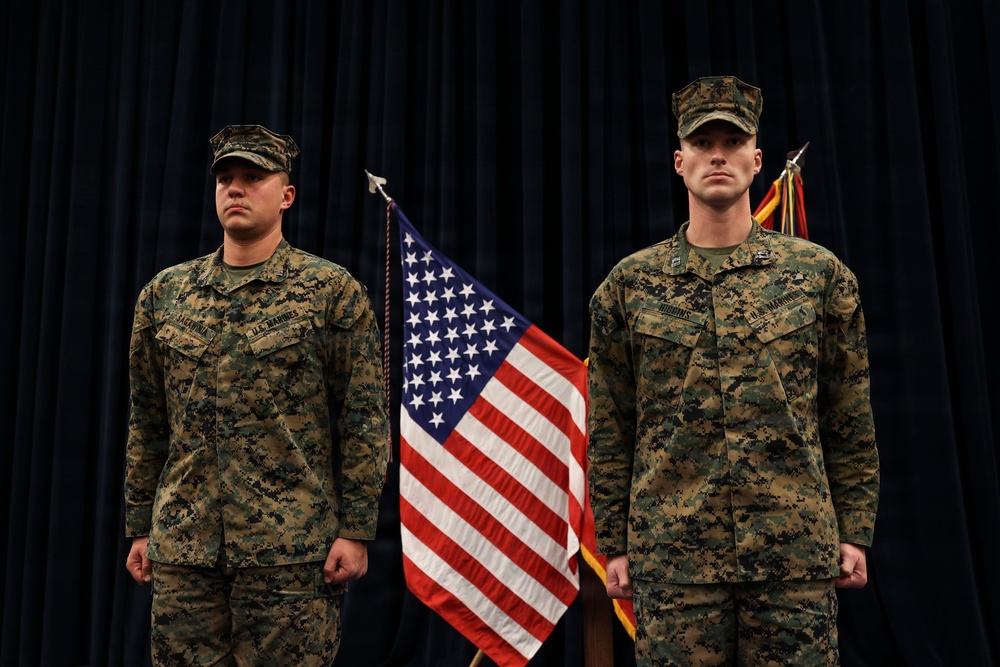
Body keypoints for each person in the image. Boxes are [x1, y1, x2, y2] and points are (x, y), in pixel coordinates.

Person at [586, 76, 880, 665]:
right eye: (702, 142)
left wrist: (854, 530)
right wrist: (614, 543)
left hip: (793, 556)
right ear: (679, 160)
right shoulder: (629, 286)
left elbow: (846, 412)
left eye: (732, 140)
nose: (717, 154)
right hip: (675, 561)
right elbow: (611, 427)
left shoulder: (818, 276)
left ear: (756, 159)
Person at [124, 124, 389, 666]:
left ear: (286, 195)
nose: (235, 189)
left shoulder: (329, 291)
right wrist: (139, 525)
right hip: (184, 548)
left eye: (252, 177)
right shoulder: (164, 295)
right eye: (225, 179)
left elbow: (365, 418)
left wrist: (357, 530)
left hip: (290, 554)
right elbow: (147, 419)